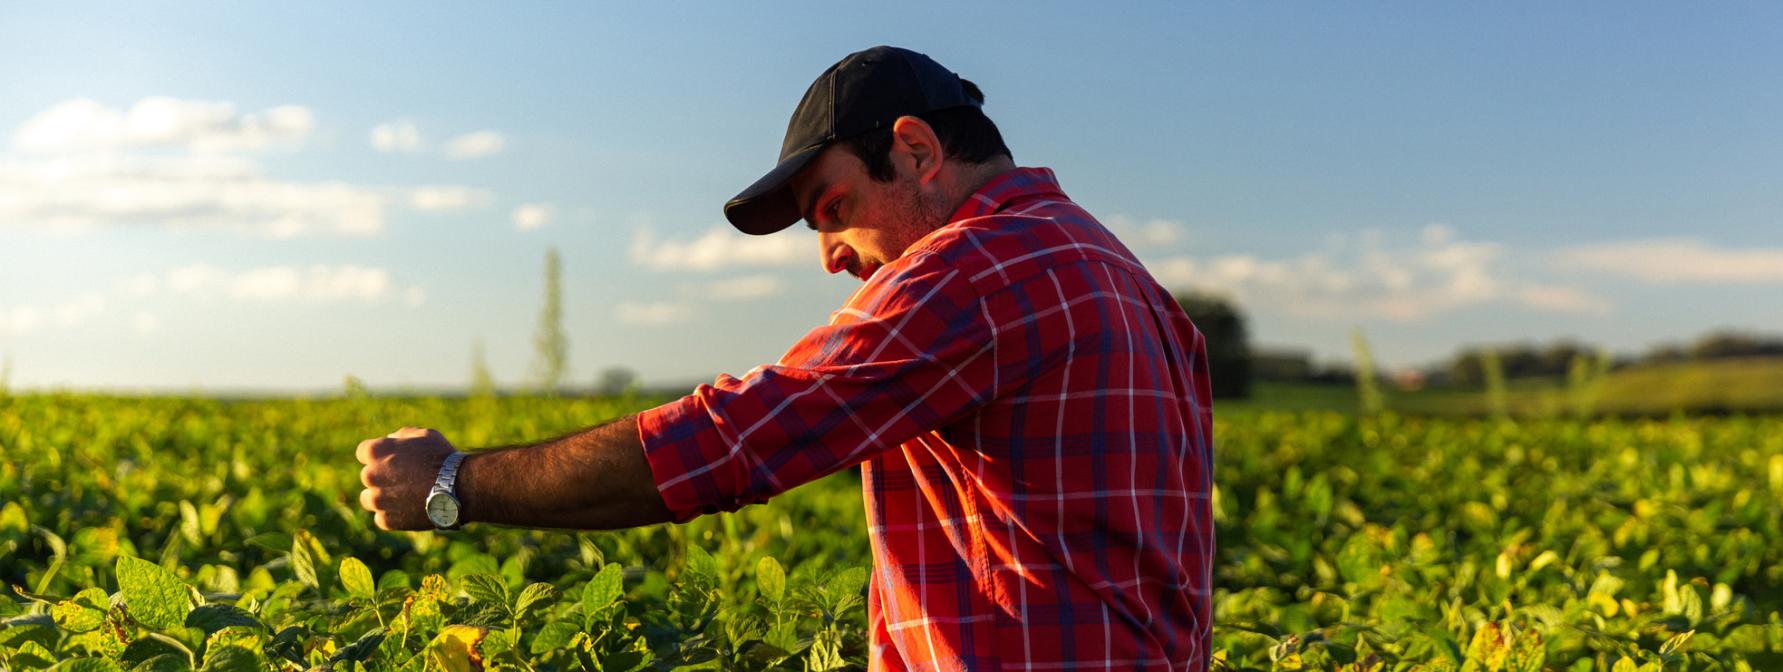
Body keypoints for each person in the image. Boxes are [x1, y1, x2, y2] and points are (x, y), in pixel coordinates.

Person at [356, 45, 1214, 671]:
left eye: (835, 207)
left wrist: (452, 484)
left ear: (916, 151)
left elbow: (735, 442)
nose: (831, 254)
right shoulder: (1122, 276)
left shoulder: (978, 271)